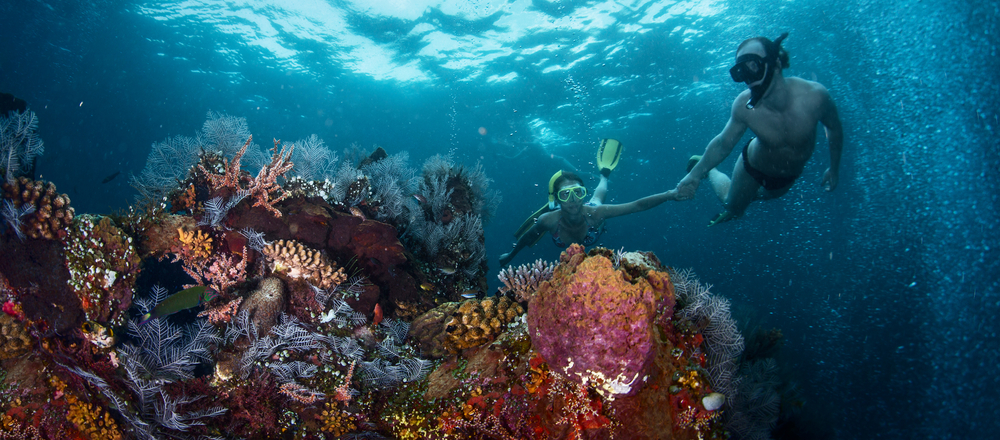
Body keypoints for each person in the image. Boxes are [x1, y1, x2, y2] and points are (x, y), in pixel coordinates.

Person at [675, 32, 844, 225]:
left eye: (753, 66)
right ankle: (712, 173)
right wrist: (694, 175)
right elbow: (723, 143)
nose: (748, 77)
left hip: (787, 177)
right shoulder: (744, 106)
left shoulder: (816, 97)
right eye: (741, 71)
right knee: (733, 208)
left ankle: (744, 196)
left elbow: (834, 130)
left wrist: (834, 169)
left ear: (776, 63)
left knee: (760, 197)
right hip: (752, 167)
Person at [499, 139, 680, 266]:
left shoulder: (596, 213)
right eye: (565, 195)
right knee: (598, 198)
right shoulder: (547, 219)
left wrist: (670, 194)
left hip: (593, 210)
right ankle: (602, 177)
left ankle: (604, 175)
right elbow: (526, 238)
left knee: (599, 196)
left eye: (578, 192)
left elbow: (637, 205)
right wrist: (511, 255)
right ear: (556, 199)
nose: (573, 200)